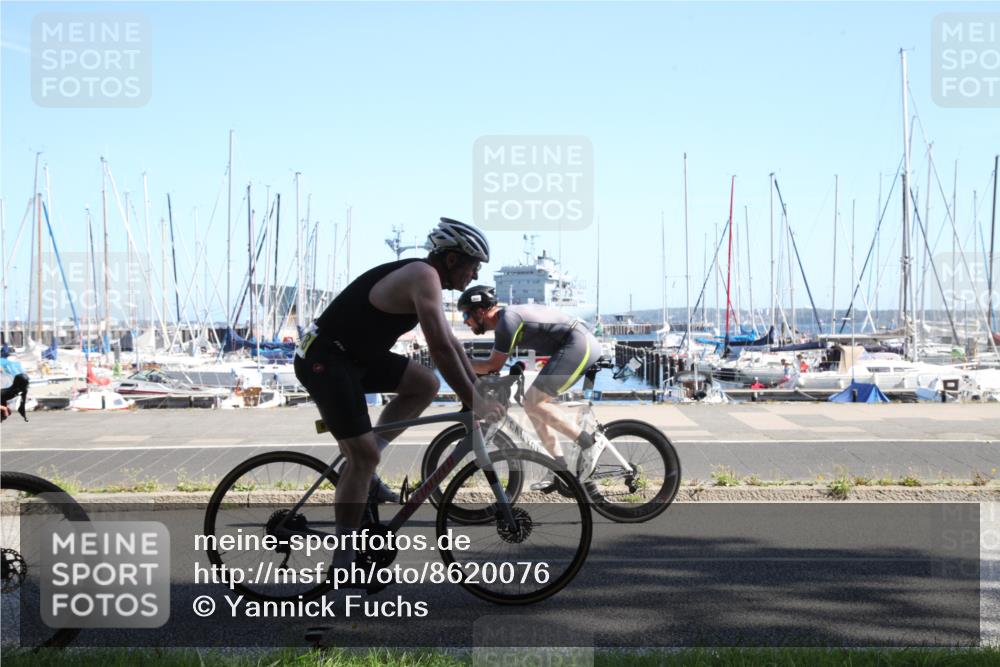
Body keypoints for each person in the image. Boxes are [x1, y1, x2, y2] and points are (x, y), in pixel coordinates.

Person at [295, 218, 502, 580]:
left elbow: (452, 344)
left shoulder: (429, 280)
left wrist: (477, 394)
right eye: (474, 266)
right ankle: (343, 568)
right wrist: (474, 398)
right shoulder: (424, 276)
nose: (475, 274)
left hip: (354, 358)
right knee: (364, 457)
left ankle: (362, 468)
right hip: (324, 359)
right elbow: (438, 347)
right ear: (452, 260)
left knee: (424, 384)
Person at [456, 285, 605, 486]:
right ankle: (559, 469)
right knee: (531, 404)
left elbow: (493, 365)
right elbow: (494, 366)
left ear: (480, 311)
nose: (465, 320)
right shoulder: (504, 322)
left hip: (578, 344)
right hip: (571, 345)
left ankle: (589, 443)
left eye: (466, 314)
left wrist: (459, 364)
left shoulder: (506, 322)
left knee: (534, 403)